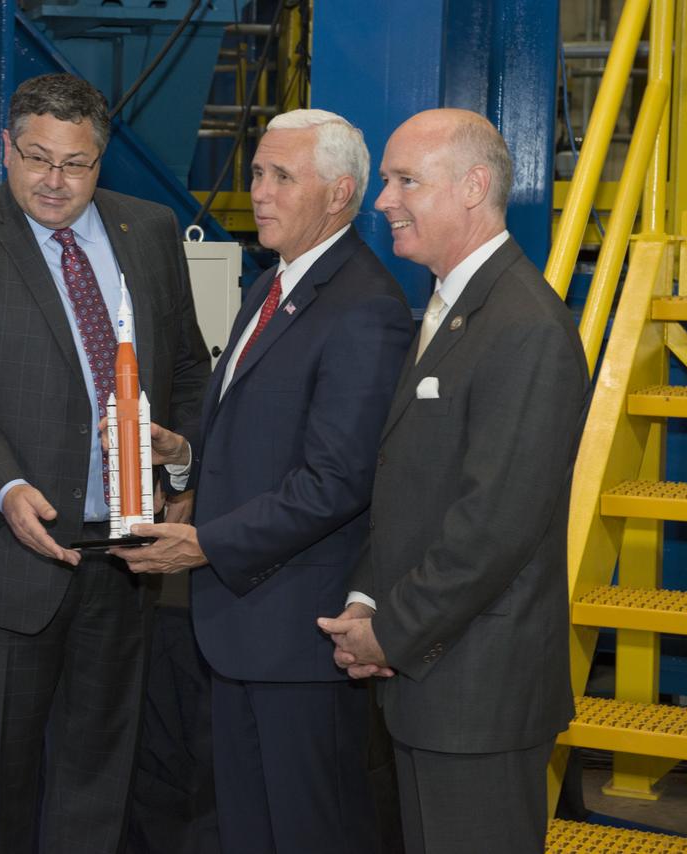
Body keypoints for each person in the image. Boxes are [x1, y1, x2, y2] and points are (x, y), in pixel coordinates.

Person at [0, 73, 210, 854]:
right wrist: (5, 487)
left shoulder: (150, 230)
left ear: (102, 158)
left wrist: (183, 470)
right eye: (37, 158)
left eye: (75, 164)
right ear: (7, 148)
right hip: (1, 566)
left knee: (96, 787)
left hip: (121, 561)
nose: (54, 182)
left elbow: (188, 370)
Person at [112, 109, 413, 854]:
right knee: (249, 830)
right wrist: (184, 454)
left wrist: (205, 544)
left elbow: (335, 482)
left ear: (340, 194)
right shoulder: (275, 283)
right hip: (243, 630)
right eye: (256, 173)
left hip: (300, 639)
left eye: (283, 176)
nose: (260, 192)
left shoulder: (366, 308)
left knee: (311, 831)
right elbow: (255, 438)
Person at [318, 108, 590, 853]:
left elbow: (493, 526)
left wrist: (387, 634)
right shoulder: (454, 306)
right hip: (431, 681)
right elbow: (408, 481)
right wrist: (367, 598)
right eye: (386, 181)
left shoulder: (525, 326)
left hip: (477, 696)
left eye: (406, 181)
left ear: (473, 187)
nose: (383, 200)